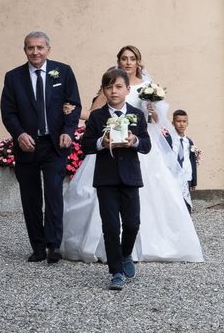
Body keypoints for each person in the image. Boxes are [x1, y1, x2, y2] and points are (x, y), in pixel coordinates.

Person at [61, 45, 203, 263]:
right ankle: (109, 250)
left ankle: (145, 246)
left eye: (132, 58)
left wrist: (153, 112)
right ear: (118, 61)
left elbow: (158, 122)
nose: (128, 62)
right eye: (124, 58)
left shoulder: (148, 87)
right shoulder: (110, 86)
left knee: (145, 201)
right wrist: (73, 111)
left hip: (139, 149)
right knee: (100, 200)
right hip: (110, 148)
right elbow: (93, 113)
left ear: (138, 62)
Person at [0, 30, 81, 263]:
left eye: (39, 47)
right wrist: (19, 134)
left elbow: (73, 105)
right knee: (30, 197)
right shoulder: (13, 77)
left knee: (54, 193)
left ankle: (54, 245)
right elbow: (8, 112)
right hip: (27, 146)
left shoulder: (63, 72)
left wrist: (68, 131)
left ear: (48, 49)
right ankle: (37, 246)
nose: (35, 52)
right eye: (30, 48)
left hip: (54, 145)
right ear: (25, 50)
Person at [82, 68, 151, 290]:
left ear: (127, 89)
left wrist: (135, 141)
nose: (114, 91)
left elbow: (147, 145)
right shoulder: (97, 116)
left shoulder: (137, 116)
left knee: (132, 224)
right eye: (109, 87)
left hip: (130, 177)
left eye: (118, 86)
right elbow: (85, 145)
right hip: (106, 179)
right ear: (103, 90)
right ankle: (116, 272)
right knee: (111, 227)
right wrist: (102, 141)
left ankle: (126, 253)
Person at [165, 109, 198, 213]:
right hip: (172, 177)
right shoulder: (168, 139)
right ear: (173, 123)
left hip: (186, 177)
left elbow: (192, 161)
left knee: (186, 205)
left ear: (187, 123)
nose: (181, 124)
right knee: (173, 205)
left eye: (184, 121)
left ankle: (186, 227)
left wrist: (194, 180)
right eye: (178, 121)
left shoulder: (189, 142)